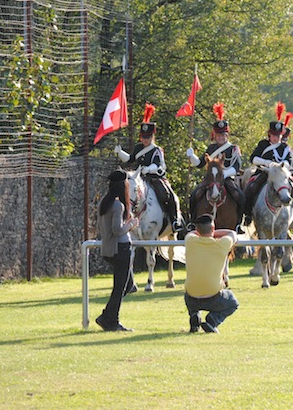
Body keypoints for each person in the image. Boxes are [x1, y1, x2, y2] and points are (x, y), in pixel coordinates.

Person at [114, 103, 183, 232]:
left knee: (169, 195)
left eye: (148, 137)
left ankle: (175, 220)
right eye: (144, 137)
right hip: (140, 178)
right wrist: (120, 152)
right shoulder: (138, 148)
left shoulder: (157, 150)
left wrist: (148, 169)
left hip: (155, 178)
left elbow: (159, 166)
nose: (146, 140)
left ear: (153, 136)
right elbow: (130, 159)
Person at [186, 103, 245, 231]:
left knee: (239, 196)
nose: (220, 138)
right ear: (215, 136)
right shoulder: (211, 148)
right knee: (195, 195)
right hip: (210, 179)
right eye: (218, 135)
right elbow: (200, 164)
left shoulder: (233, 149)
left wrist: (224, 174)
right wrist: (192, 156)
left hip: (227, 179)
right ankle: (192, 221)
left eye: (223, 135)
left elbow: (236, 166)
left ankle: (239, 223)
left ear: (227, 136)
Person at [95, 170, 139, 332]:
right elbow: (117, 230)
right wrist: (131, 224)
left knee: (128, 285)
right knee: (121, 287)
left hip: (109, 249)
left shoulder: (104, 203)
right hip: (120, 248)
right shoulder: (118, 205)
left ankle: (107, 315)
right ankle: (111, 320)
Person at [184, 214, 239, 333]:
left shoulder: (190, 240)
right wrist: (213, 232)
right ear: (213, 228)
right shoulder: (222, 244)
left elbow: (192, 233)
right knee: (233, 302)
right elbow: (233, 233)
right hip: (213, 297)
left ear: (197, 230)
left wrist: (204, 230)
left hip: (191, 297)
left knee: (188, 291)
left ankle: (194, 314)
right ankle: (212, 321)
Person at [243, 102, 293, 226]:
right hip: (264, 173)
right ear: (269, 134)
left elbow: (290, 162)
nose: (276, 138)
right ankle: (247, 215)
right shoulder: (263, 145)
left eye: (278, 135)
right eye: (274, 135)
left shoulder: (286, 147)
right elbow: (253, 158)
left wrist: (282, 165)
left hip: (281, 175)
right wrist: (267, 163)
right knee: (251, 188)